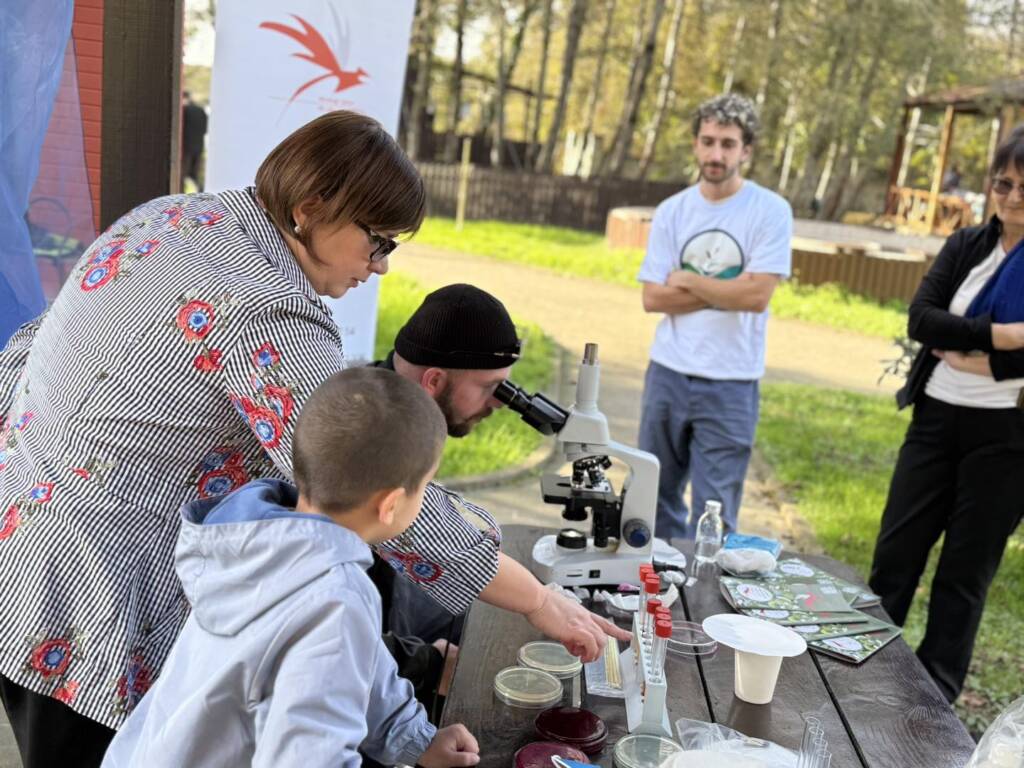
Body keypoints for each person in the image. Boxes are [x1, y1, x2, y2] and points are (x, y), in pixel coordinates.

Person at [0, 110, 617, 768]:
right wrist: (539, 600)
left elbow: (25, 350)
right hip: (92, 601)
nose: (381, 266)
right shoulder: (267, 307)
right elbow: (372, 476)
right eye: (376, 241)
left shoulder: (174, 216)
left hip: (20, 537)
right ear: (309, 209)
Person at [101, 367, 480, 767]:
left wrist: (416, 739)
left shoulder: (259, 546)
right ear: (391, 505)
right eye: (425, 486)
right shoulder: (335, 598)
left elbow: (362, 663)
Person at [367, 283, 630, 712]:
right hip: (366, 656)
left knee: (491, 615)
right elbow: (336, 630)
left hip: (387, 600)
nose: (500, 403)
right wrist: (426, 664)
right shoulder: (369, 440)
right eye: (491, 386)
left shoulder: (382, 401)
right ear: (434, 380)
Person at [869, 127, 1024, 703]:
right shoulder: (966, 245)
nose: (1012, 198)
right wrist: (1003, 335)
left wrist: (983, 360)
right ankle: (861, 676)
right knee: (895, 556)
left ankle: (932, 703)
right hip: (935, 421)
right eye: (1003, 184)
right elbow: (922, 320)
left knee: (964, 575)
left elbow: (948, 331)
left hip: (1007, 438)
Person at [637, 93, 793, 540]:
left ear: (746, 150)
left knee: (716, 514)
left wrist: (688, 279)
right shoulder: (673, 211)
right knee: (653, 501)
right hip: (668, 373)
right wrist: (729, 289)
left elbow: (757, 296)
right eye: (708, 142)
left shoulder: (770, 210)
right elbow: (653, 298)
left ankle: (705, 586)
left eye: (728, 144)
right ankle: (657, 582)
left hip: (731, 382)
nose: (716, 154)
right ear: (695, 144)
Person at [180, 91, 208, 191]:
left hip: (185, 147)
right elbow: (205, 129)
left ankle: (180, 193)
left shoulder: (184, 111)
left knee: (181, 175)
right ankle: (201, 193)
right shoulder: (201, 110)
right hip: (198, 147)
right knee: (196, 175)